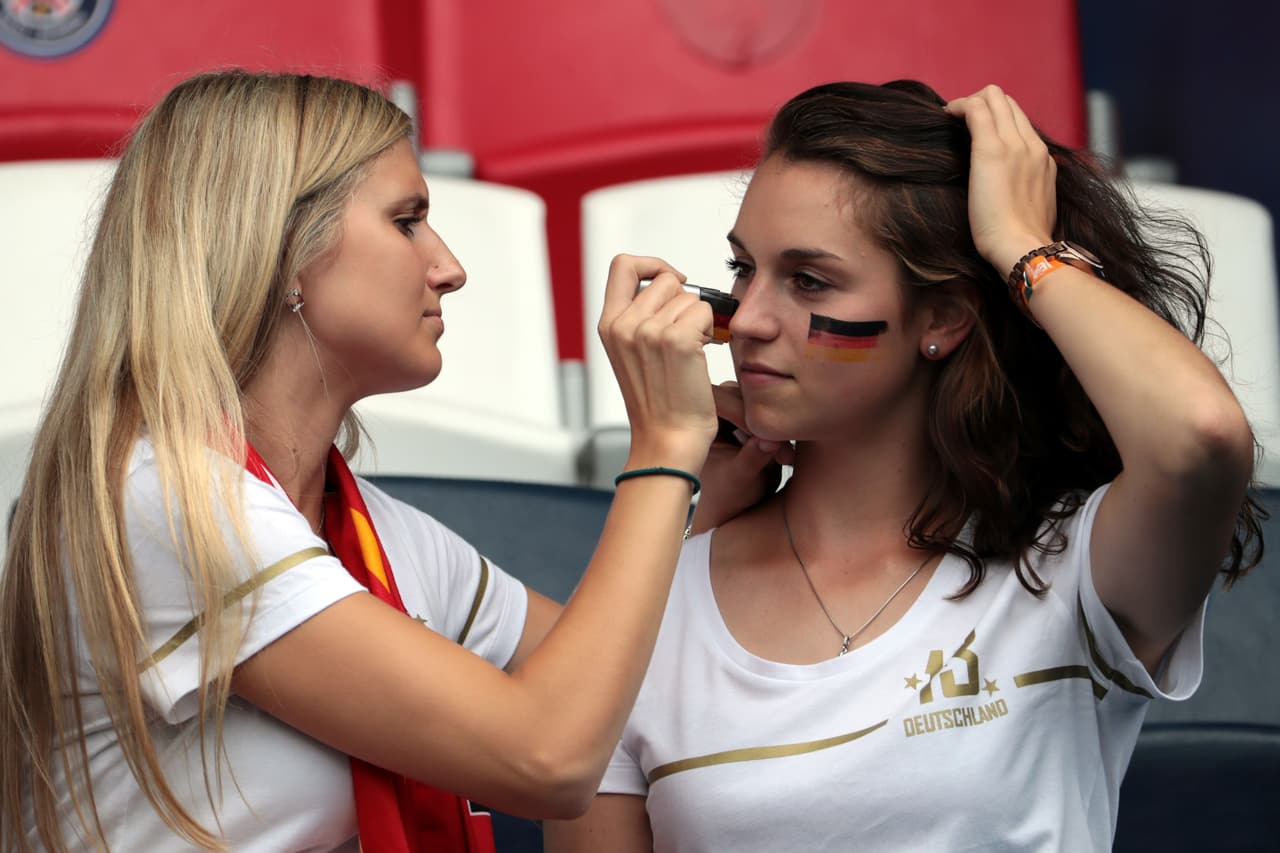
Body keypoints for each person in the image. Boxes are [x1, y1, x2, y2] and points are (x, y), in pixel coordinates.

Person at [0, 69, 732, 852]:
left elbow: (621, 684)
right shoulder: (162, 501)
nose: (449, 267)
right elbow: (548, 754)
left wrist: (713, 492)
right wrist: (662, 450)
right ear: (283, 251)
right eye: (408, 220)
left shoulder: (373, 532)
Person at [544, 80, 1264, 852]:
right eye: (745, 267)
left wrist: (1023, 246)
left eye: (809, 279)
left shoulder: (1067, 568)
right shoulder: (648, 609)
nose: (747, 317)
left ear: (945, 317)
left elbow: (1202, 434)